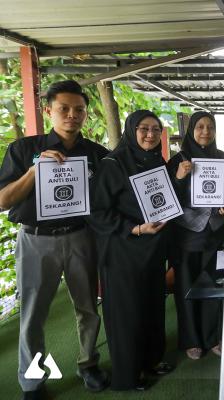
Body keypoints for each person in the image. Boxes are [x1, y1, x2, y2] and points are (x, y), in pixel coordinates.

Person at [0, 80, 109, 399]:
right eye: (64, 108)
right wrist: (35, 171)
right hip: (36, 241)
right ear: (49, 111)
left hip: (81, 237)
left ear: (86, 114)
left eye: (79, 109)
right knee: (33, 314)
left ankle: (88, 364)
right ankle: (32, 381)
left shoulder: (96, 154)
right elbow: (3, 200)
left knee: (88, 307)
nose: (72, 115)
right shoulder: (23, 150)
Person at [88, 110, 174, 390]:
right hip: (122, 251)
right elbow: (96, 211)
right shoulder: (113, 163)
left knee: (152, 307)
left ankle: (151, 360)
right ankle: (128, 375)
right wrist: (134, 228)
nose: (150, 134)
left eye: (156, 129)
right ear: (131, 130)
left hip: (152, 250)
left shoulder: (156, 160)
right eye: (143, 128)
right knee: (127, 314)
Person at [166, 111, 224, 360]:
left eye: (210, 127)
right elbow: (167, 199)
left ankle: (212, 336)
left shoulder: (221, 158)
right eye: (200, 126)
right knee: (187, 287)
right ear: (191, 130)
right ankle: (191, 340)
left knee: (213, 285)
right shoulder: (177, 160)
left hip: (214, 231)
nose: (205, 131)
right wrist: (179, 178)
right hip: (187, 234)